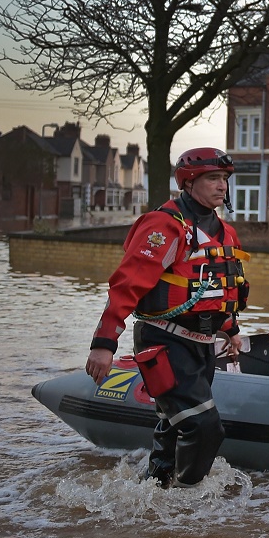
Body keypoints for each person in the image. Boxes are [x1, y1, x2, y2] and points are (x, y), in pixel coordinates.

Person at [85, 148, 249, 488]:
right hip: (165, 340)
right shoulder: (164, 226)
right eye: (213, 179)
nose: (222, 186)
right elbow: (126, 286)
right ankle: (186, 500)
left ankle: (155, 491)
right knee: (204, 427)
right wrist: (104, 345)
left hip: (202, 345)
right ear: (189, 182)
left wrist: (231, 329)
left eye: (225, 179)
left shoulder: (225, 233)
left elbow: (220, 288)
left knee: (175, 425)